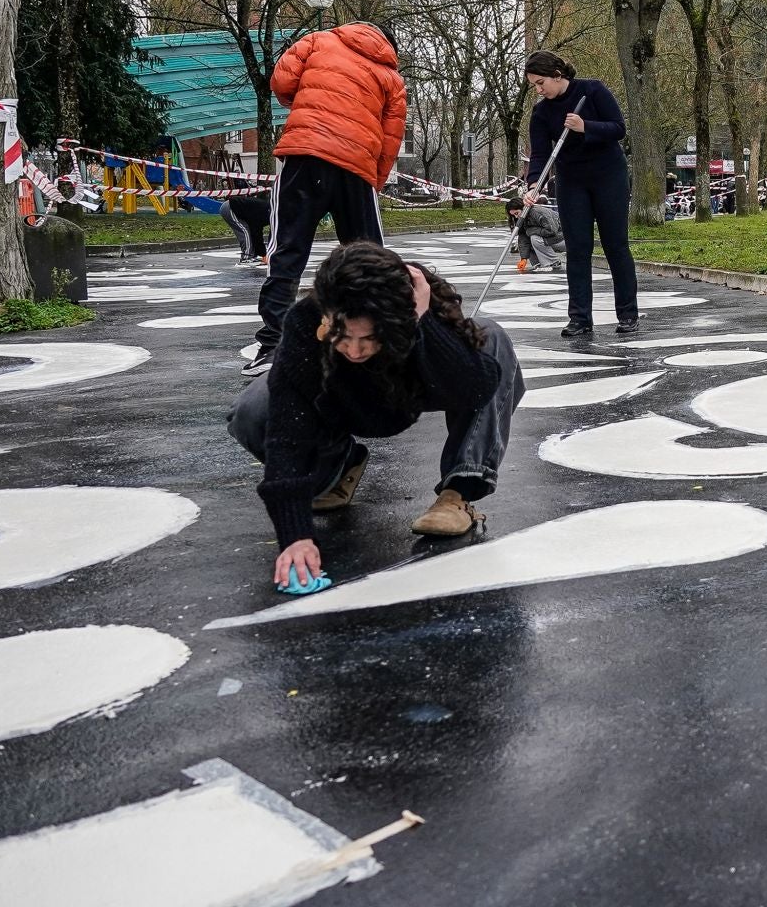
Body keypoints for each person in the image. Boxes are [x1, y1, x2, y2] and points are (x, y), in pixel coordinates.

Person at [228, 242, 525, 587]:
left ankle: (459, 491)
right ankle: (336, 465)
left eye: (368, 338)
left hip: (418, 388)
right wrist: (295, 536)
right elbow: (285, 432)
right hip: (350, 401)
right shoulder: (305, 322)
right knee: (254, 407)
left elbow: (475, 390)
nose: (354, 350)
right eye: (343, 336)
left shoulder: (422, 307)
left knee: (491, 339)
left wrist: (422, 322)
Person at [244, 23, 407, 377]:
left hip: (306, 154)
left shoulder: (318, 40)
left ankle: (274, 343)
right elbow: (392, 136)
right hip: (357, 165)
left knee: (286, 249)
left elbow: (282, 83)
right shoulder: (391, 78)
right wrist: (373, 183)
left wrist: (307, 103)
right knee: (369, 258)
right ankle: (381, 342)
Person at [521, 53, 638, 339]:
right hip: (572, 181)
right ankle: (580, 318)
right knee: (577, 249)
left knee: (615, 246)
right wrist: (533, 183)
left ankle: (627, 314)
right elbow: (539, 154)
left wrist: (586, 127)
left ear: (557, 74)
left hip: (609, 176)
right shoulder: (541, 113)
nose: (539, 90)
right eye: (534, 85)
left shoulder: (592, 90)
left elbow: (618, 129)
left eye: (541, 82)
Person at [504, 194, 565, 272]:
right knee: (529, 238)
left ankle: (553, 263)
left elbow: (552, 230)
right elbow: (523, 238)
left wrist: (530, 231)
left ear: (523, 208)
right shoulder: (524, 218)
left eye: (516, 213)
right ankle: (538, 264)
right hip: (555, 240)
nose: (516, 217)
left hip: (565, 238)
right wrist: (524, 258)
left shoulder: (538, 212)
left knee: (534, 238)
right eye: (513, 215)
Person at [222, 191, 272, 265]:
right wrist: (263, 254)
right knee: (245, 232)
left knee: (249, 231)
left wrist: (263, 253)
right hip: (230, 207)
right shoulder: (266, 212)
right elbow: (257, 231)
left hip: (236, 208)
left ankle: (252, 255)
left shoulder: (269, 212)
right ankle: (246, 258)